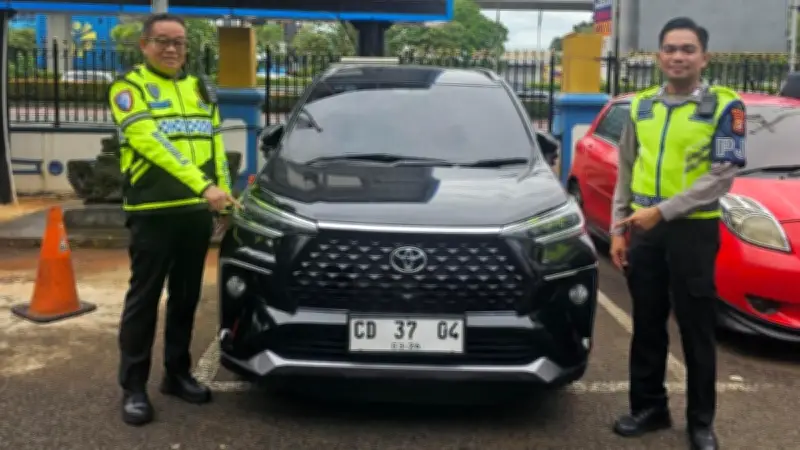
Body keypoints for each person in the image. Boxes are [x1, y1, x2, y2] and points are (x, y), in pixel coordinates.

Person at [609, 18, 746, 450]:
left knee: (696, 328)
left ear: (704, 58)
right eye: (670, 49)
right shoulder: (641, 106)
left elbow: (722, 176)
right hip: (644, 232)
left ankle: (700, 422)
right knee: (647, 323)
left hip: (693, 231)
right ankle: (649, 408)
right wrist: (618, 228)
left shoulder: (725, 107)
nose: (678, 56)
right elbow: (626, 167)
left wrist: (663, 212)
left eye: (688, 49)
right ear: (659, 56)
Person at [108, 13, 238, 426]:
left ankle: (177, 374)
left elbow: (215, 146)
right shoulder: (128, 88)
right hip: (153, 211)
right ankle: (133, 387)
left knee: (185, 298)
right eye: (162, 41)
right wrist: (204, 186)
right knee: (144, 300)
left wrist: (223, 195)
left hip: (195, 212)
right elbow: (151, 142)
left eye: (178, 42)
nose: (171, 49)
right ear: (144, 45)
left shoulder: (199, 88)